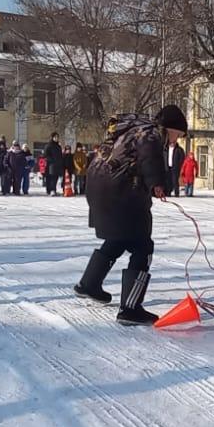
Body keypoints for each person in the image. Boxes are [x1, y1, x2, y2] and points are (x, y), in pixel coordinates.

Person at [74, 106, 188, 326]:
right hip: (121, 191)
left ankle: (89, 284)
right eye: (178, 134)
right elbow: (149, 158)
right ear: (172, 128)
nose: (176, 140)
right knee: (142, 246)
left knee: (119, 238)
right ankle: (130, 308)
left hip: (99, 187)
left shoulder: (129, 129)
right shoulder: (152, 133)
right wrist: (158, 183)